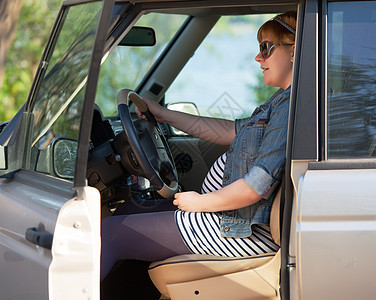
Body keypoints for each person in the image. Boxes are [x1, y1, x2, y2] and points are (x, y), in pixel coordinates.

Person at [101, 11, 296, 280]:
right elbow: (228, 130)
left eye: (266, 48)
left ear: (295, 51)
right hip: (228, 219)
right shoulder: (280, 101)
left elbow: (256, 185)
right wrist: (162, 113)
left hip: (242, 231)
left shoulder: (290, 106)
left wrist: (202, 202)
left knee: (109, 234)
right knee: (126, 210)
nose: (258, 57)